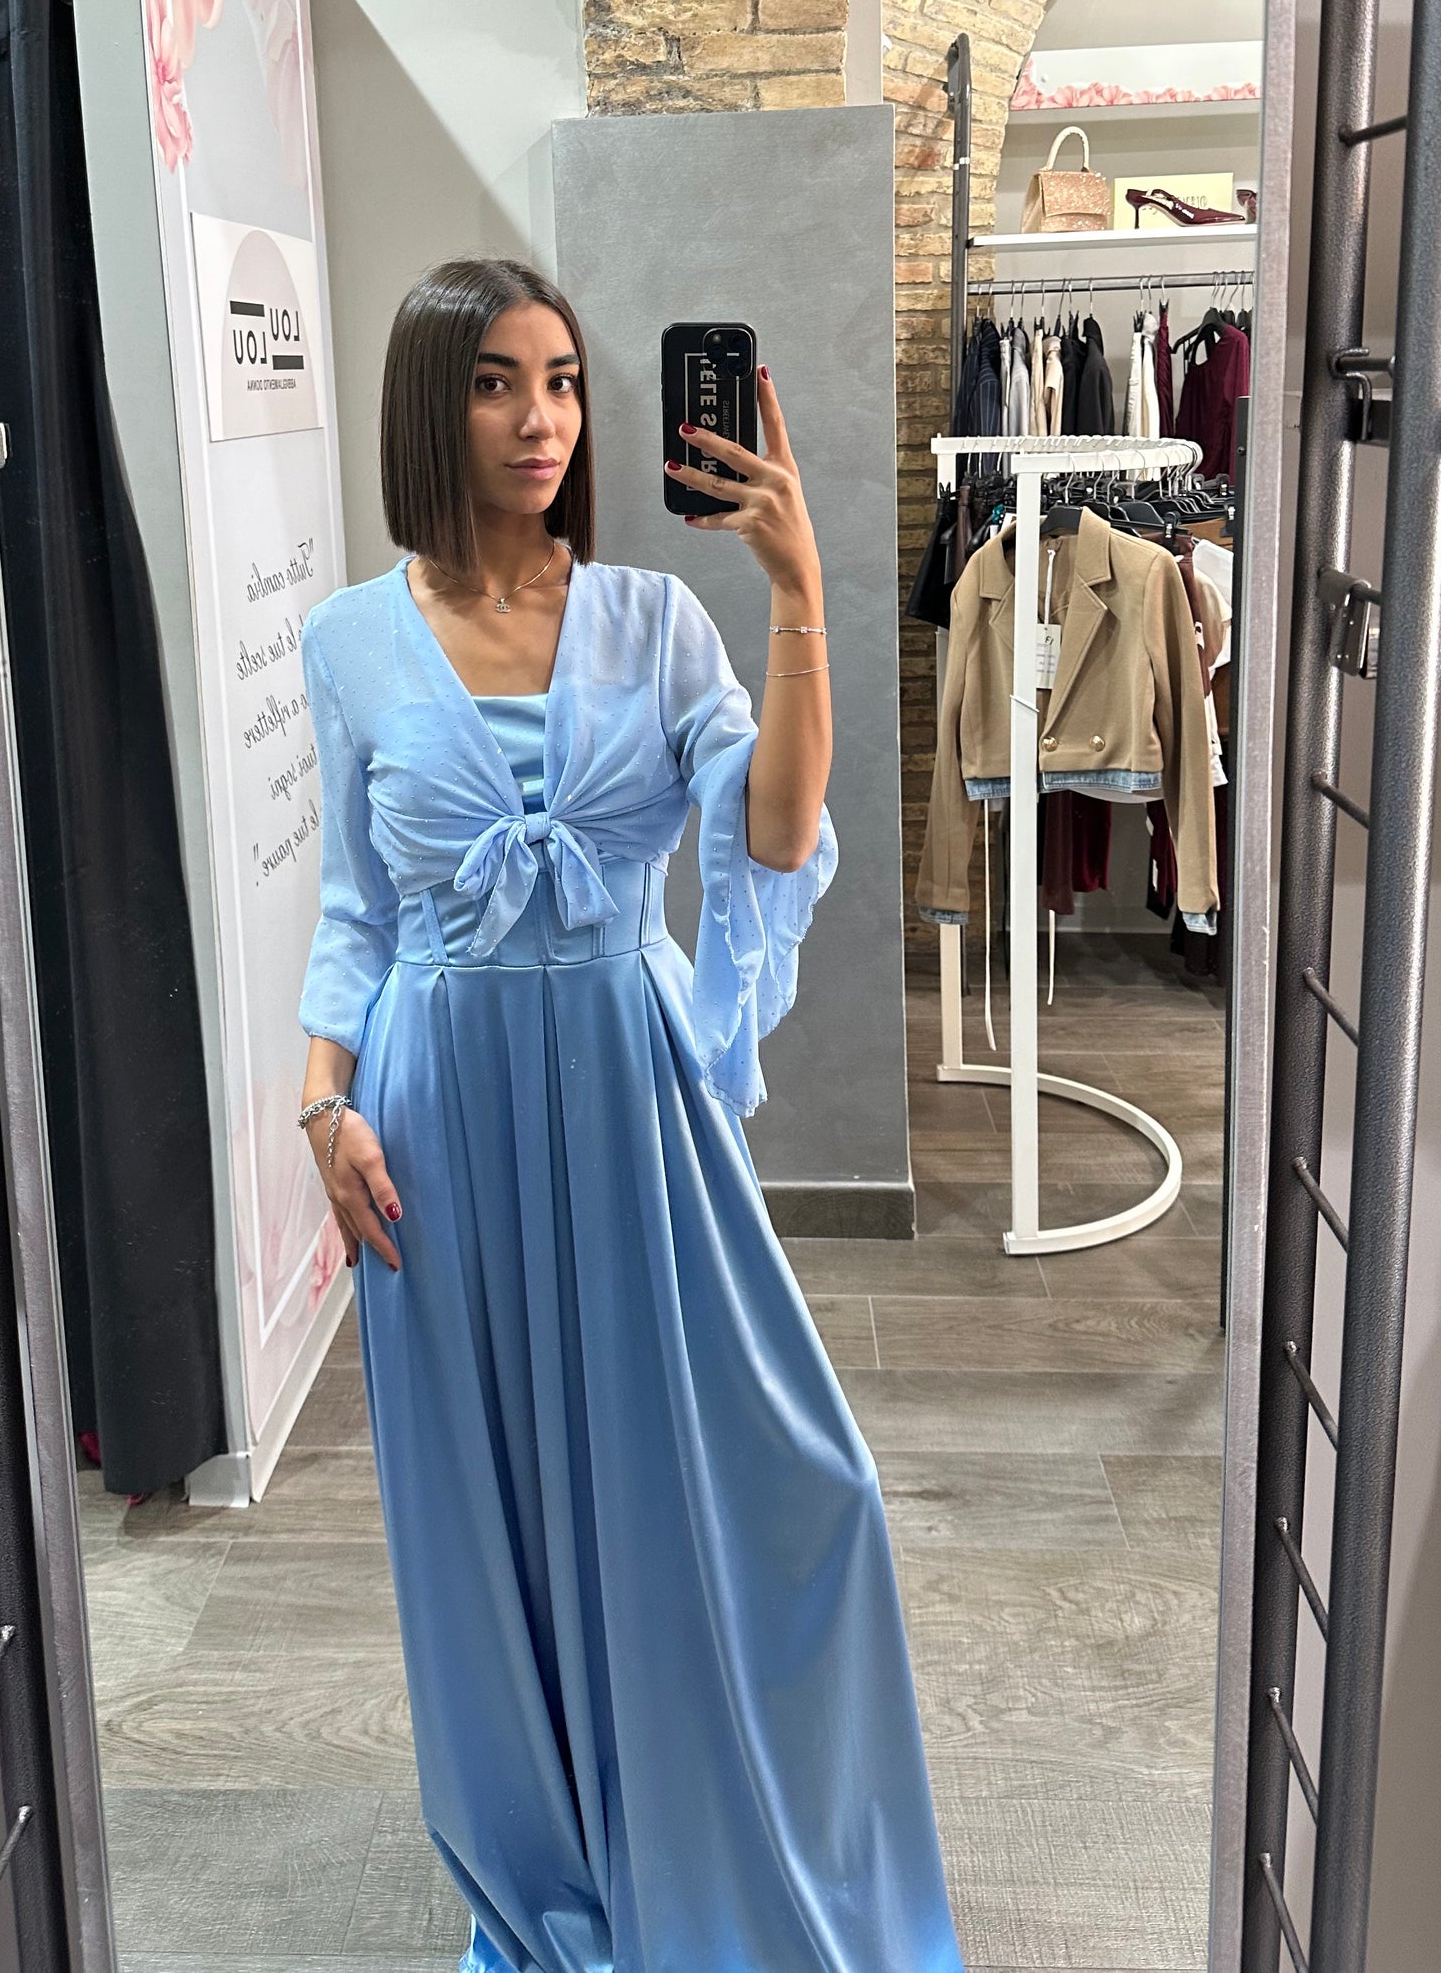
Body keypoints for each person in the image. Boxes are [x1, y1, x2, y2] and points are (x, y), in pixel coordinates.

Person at [297, 257, 964, 1973]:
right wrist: (322, 1110)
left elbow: (774, 829)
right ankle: (549, 1872)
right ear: (429, 405)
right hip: (436, 1118)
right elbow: (357, 909)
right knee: (491, 1515)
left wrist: (798, 588)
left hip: (630, 1093)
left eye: (565, 381)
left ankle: (719, 1830)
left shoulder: (655, 619)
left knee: (792, 1482)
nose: (542, 420)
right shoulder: (349, 642)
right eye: (495, 383)